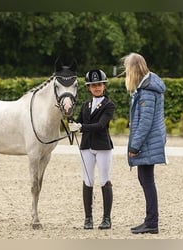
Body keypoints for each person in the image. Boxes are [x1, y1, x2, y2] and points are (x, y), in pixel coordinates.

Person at [120, 52, 167, 234]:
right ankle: (150, 220)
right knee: (145, 179)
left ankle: (152, 222)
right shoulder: (146, 86)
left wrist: (134, 146)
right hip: (150, 141)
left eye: (127, 69)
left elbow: (145, 123)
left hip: (147, 142)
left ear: (133, 69)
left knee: (146, 180)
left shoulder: (147, 90)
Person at [69, 69, 115, 230]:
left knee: (104, 180)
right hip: (86, 146)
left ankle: (106, 218)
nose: (96, 87)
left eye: (99, 85)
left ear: (104, 86)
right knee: (88, 180)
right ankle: (88, 218)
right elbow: (78, 121)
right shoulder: (85, 105)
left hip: (102, 146)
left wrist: (80, 127)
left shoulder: (109, 105)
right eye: (93, 85)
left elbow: (101, 125)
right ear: (88, 87)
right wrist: (70, 121)